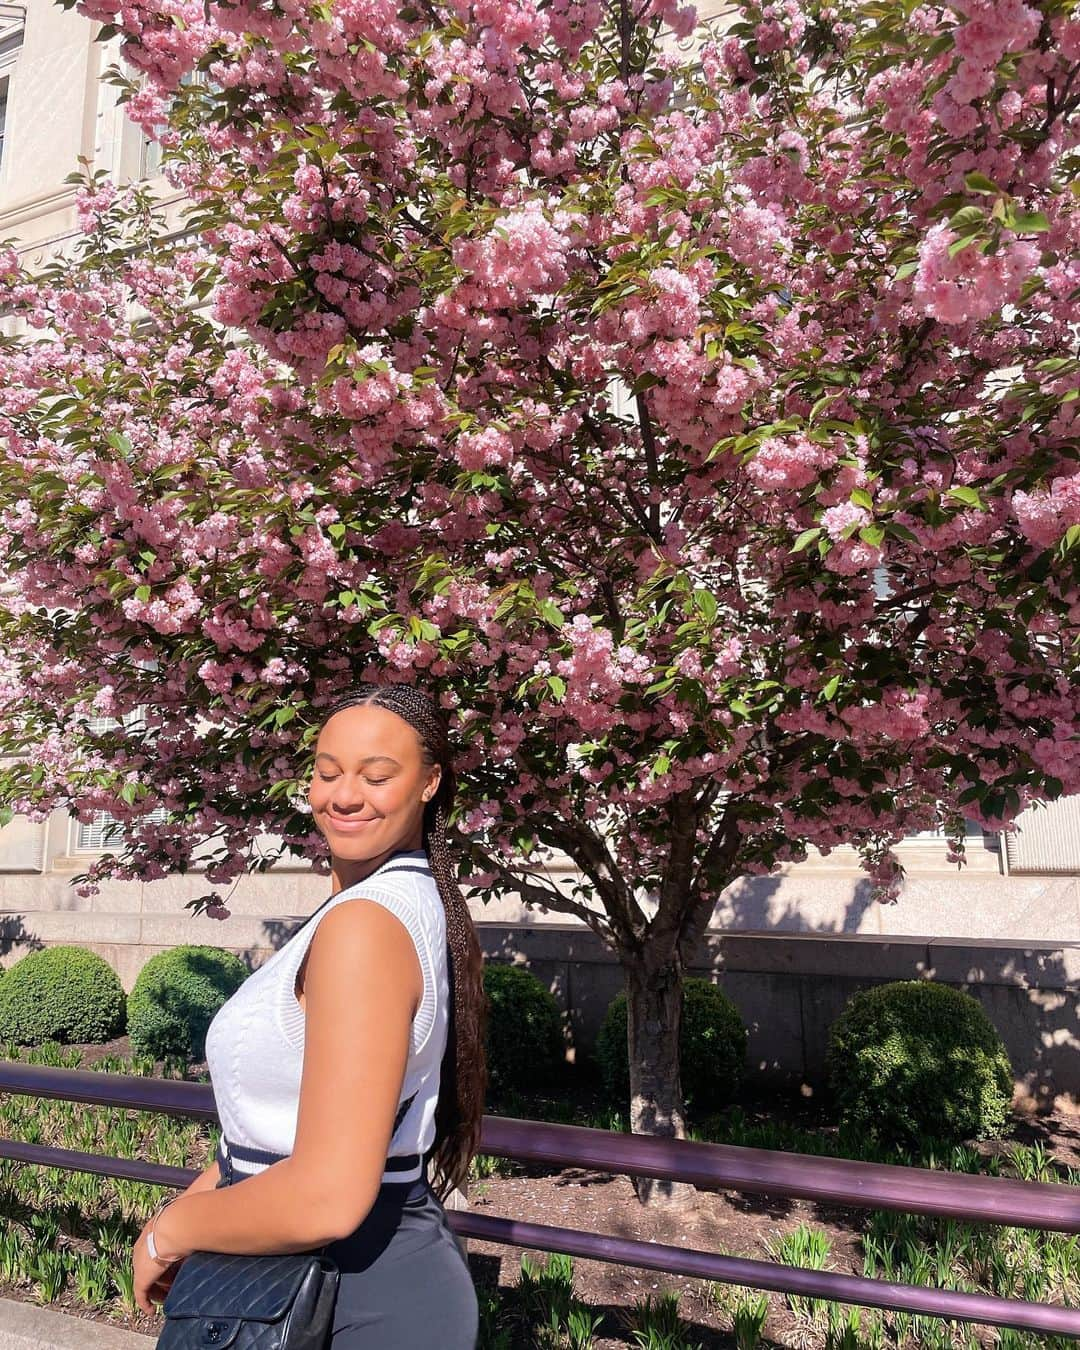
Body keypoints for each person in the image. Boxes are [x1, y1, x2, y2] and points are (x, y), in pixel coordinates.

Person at [132, 682, 486, 1348]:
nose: (344, 795)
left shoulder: (366, 925)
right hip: (329, 1278)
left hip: (354, 1296)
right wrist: (201, 1198)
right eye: (326, 773)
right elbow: (280, 1136)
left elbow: (327, 1193)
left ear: (431, 781)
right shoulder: (380, 906)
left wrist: (170, 1232)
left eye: (377, 775)